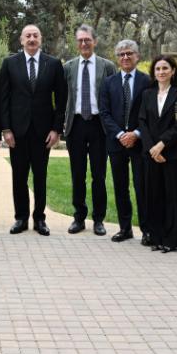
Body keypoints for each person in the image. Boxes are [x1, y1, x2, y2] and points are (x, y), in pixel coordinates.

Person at [0, 24, 67, 236]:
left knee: (40, 176)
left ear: (41, 39)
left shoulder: (54, 64)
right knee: (18, 177)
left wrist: (56, 129)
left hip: (43, 131)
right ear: (21, 40)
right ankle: (21, 218)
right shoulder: (10, 63)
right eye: (27, 36)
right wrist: (6, 129)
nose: (31, 39)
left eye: (35, 35)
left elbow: (62, 100)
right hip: (17, 131)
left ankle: (40, 219)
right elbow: (3, 99)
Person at [62, 25, 116, 236]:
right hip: (75, 125)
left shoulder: (107, 66)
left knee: (99, 175)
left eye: (87, 40)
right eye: (80, 40)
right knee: (77, 175)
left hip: (98, 125)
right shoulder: (68, 67)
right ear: (77, 43)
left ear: (95, 41)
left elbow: (113, 95)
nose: (84, 44)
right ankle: (79, 217)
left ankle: (99, 219)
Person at [99, 39, 153, 244]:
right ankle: (125, 228)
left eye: (129, 53)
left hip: (140, 143)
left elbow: (150, 114)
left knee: (142, 187)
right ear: (117, 58)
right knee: (121, 187)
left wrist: (136, 134)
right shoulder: (108, 83)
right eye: (121, 54)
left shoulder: (147, 81)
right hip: (116, 143)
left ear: (137, 56)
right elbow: (104, 113)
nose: (125, 57)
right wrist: (121, 135)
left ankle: (147, 230)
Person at [138, 55, 177, 253]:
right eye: (158, 69)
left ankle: (171, 240)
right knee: (154, 196)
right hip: (151, 153)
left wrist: (162, 145)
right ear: (154, 72)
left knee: (172, 196)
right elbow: (142, 122)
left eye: (165, 68)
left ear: (173, 71)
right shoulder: (147, 94)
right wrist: (152, 148)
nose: (161, 72)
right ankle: (156, 238)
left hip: (172, 153)